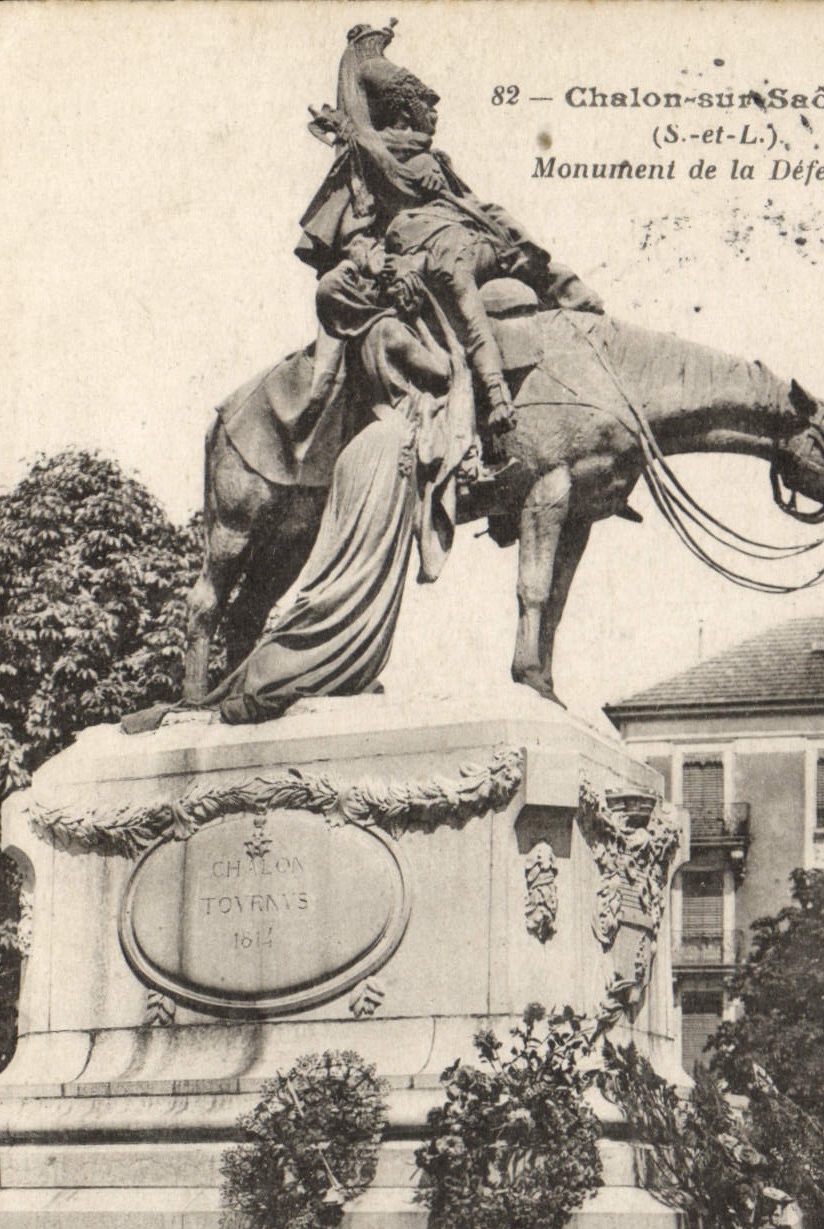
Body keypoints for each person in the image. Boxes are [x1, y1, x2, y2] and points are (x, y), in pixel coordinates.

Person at [298, 23, 604, 435]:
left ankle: (574, 301)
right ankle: (495, 392)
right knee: (457, 281)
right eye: (429, 106)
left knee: (514, 243)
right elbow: (355, 234)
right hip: (418, 255)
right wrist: (386, 266)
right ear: (407, 111)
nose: (436, 114)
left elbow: (470, 203)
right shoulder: (366, 157)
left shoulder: (434, 159)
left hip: (470, 235)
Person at [211, 253, 467, 723]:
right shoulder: (392, 331)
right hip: (390, 449)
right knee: (362, 575)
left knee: (342, 567)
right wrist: (429, 315)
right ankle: (290, 668)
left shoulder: (357, 339)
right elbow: (444, 371)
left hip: (361, 451)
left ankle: (325, 667)